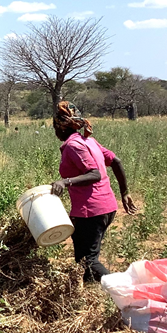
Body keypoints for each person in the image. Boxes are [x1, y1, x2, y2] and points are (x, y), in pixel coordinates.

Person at [50, 102, 136, 283]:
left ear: (61, 127)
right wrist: (125, 192)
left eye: (55, 127)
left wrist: (65, 182)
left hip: (91, 211)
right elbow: (116, 161)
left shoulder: (74, 146)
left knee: (87, 261)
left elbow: (94, 174)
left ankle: (125, 290)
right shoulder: (88, 141)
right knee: (84, 259)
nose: (55, 132)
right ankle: (91, 297)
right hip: (106, 208)